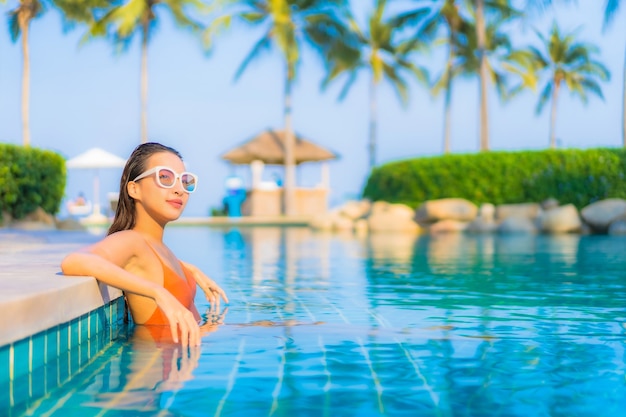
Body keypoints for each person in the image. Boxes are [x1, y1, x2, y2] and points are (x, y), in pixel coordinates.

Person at [61, 142, 228, 347]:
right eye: (164, 177)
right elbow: (75, 261)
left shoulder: (157, 248)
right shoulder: (132, 240)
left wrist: (188, 270)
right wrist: (157, 291)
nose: (179, 189)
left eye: (185, 181)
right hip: (156, 372)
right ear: (134, 189)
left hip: (179, 366)